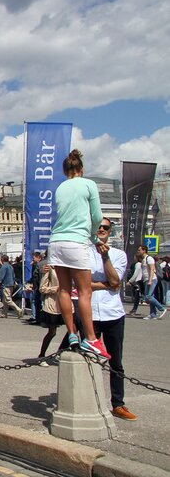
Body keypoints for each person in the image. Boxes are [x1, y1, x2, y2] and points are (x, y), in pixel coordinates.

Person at [47, 149, 109, 359]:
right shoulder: (88, 184)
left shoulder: (60, 187)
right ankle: (91, 339)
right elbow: (97, 215)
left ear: (65, 171)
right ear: (81, 169)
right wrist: (94, 237)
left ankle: (72, 333)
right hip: (76, 240)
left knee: (64, 290)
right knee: (84, 292)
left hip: (56, 241)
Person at [89, 218, 135, 420]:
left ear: (110, 231)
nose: (101, 229)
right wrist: (104, 284)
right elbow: (79, 283)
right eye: (98, 226)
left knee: (116, 361)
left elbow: (115, 282)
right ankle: (90, 402)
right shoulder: (85, 253)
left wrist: (105, 258)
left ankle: (118, 404)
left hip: (112, 313)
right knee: (89, 361)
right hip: (89, 313)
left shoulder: (118, 255)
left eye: (105, 227)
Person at [136, 245, 166, 320]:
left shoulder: (149, 258)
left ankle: (161, 309)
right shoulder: (143, 259)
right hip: (146, 280)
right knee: (150, 296)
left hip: (152, 279)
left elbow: (152, 269)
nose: (138, 251)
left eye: (139, 250)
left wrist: (150, 280)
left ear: (144, 250)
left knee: (148, 296)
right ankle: (152, 314)